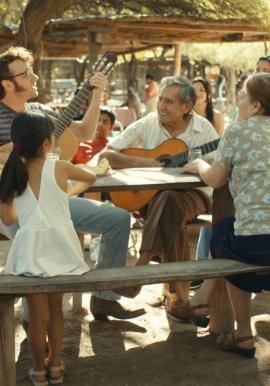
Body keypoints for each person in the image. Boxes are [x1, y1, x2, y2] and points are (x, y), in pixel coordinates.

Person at [0, 46, 144, 321]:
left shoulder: (41, 111)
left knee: (118, 219)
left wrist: (97, 93)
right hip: (11, 205)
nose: (34, 77)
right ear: (7, 83)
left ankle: (105, 298)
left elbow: (85, 132)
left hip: (53, 201)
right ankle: (35, 323)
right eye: (27, 72)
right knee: (35, 235)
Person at [171, 72, 270, 358]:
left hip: (254, 246)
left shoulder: (238, 132)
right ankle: (203, 302)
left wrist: (200, 164)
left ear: (256, 107)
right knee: (232, 234)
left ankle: (241, 333)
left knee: (225, 236)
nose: (237, 102)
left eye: (242, 97)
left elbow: (215, 180)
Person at [100, 76, 219, 308]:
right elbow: (107, 155)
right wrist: (146, 163)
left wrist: (198, 168)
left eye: (169, 102)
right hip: (153, 199)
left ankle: (141, 266)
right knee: (168, 203)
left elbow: (221, 167)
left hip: (195, 196)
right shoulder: (148, 123)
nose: (161, 106)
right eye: (161, 99)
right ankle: (178, 299)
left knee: (170, 200)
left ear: (186, 107)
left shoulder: (204, 130)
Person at [0, 112, 95, 385]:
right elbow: (90, 176)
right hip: (62, 247)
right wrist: (67, 195)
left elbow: (7, 220)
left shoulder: (12, 173)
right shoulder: (61, 167)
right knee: (57, 311)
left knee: (37, 316)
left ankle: (39, 370)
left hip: (31, 249)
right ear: (46, 144)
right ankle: (55, 365)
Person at [191, 77, 225, 287]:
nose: (198, 94)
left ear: (209, 94)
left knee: (215, 210)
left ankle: (203, 268)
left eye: (202, 90)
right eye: (194, 90)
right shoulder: (185, 118)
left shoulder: (216, 117)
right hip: (193, 170)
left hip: (211, 168)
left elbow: (220, 148)